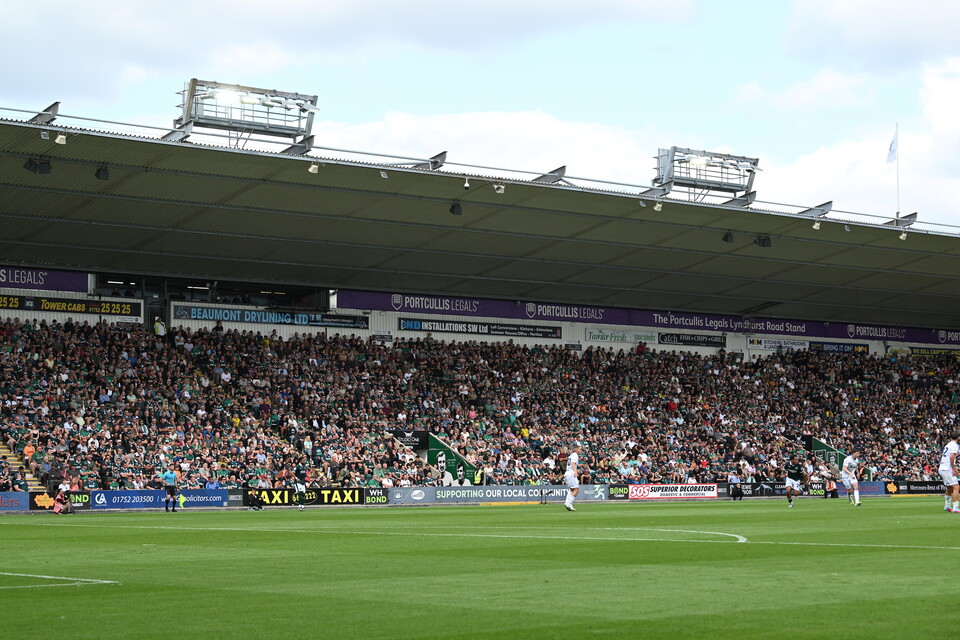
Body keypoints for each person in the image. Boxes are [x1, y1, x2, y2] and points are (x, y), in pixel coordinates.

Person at [938, 431, 960, 513]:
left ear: (950, 437)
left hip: (942, 468)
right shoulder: (954, 445)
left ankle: (947, 506)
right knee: (956, 487)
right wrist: (953, 468)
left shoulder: (948, 445)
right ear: (958, 438)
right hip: (947, 469)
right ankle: (955, 508)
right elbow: (951, 457)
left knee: (949, 487)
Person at [564, 443, 582, 512]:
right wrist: (575, 471)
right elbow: (573, 463)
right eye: (579, 449)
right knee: (576, 489)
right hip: (571, 473)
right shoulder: (575, 455)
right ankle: (570, 504)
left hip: (567, 473)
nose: (580, 450)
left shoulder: (570, 455)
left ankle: (567, 503)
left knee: (571, 489)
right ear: (576, 449)